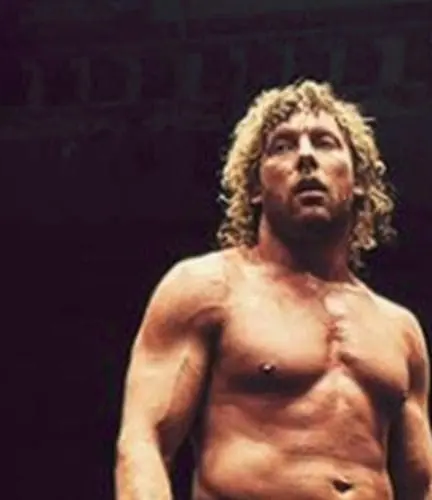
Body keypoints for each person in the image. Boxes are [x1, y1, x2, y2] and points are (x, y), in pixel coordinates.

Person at [115, 80, 432, 499]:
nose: (305, 156)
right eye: (282, 146)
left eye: (324, 142)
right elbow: (144, 442)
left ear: (358, 181)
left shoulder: (399, 329)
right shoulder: (208, 289)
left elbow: (421, 486)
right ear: (254, 189)